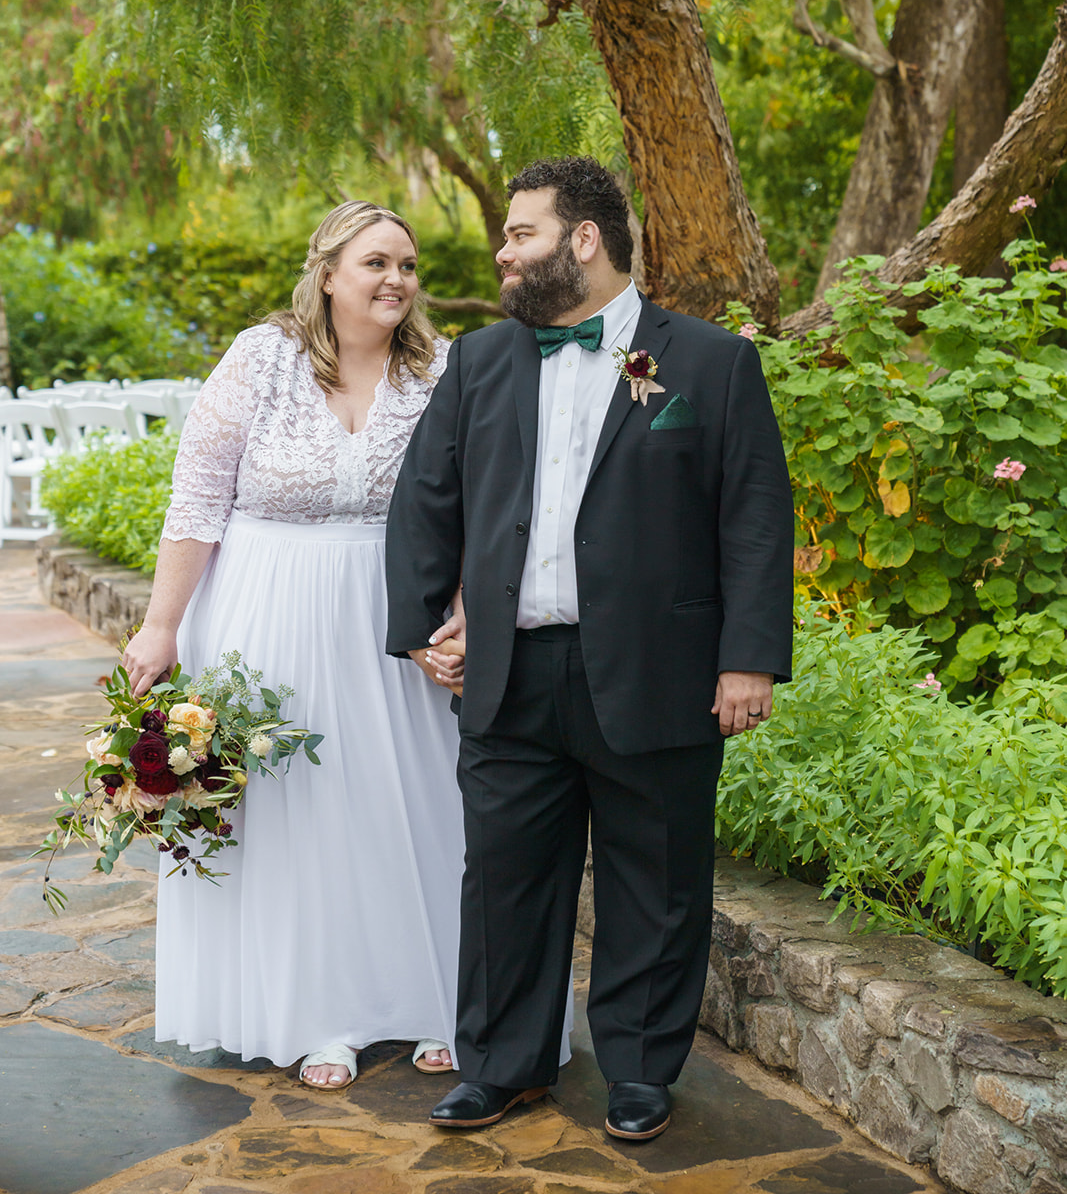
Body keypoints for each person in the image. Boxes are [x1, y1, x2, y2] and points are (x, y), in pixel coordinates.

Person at [385, 156, 794, 1141]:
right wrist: (419, 629)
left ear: (584, 239)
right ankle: (500, 1067)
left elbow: (751, 515)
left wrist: (746, 658)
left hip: (658, 671)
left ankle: (641, 1071)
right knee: (503, 884)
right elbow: (424, 499)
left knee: (656, 883)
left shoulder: (705, 363)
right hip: (509, 674)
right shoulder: (479, 361)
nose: (502, 251)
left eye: (519, 233)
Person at [123, 200, 467, 1089]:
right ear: (327, 273)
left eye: (407, 265)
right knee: (297, 817)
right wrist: (161, 625)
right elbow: (198, 497)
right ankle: (318, 1016)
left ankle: (434, 1001)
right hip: (265, 614)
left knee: (408, 807)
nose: (396, 280)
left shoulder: (439, 368)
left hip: (394, 623)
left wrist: (459, 610)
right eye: (375, 263)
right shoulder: (261, 358)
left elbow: (470, 503)